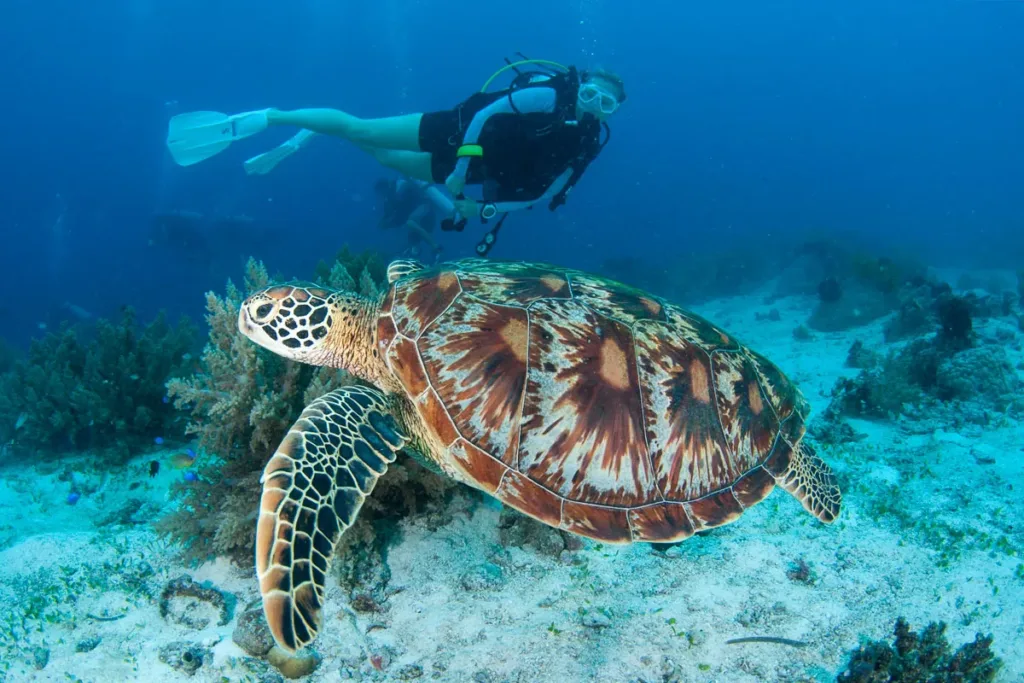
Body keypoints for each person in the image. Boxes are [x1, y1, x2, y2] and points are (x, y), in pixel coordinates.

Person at [166, 59, 625, 246]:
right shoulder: (550, 96)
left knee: (381, 155)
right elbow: (486, 117)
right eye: (590, 94)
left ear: (611, 113)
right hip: (455, 131)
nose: (592, 106)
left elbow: (540, 197)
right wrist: (464, 169)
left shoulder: (586, 146)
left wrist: (479, 204)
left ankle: (311, 133)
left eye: (605, 104)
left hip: (467, 172)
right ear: (579, 87)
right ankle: (272, 117)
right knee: (363, 128)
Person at [373, 176, 453, 262]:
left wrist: (389, 223)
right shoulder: (391, 196)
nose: (382, 195)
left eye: (382, 193)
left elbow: (402, 212)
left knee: (410, 222)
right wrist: (387, 223)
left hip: (426, 215)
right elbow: (400, 215)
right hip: (420, 219)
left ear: (385, 188)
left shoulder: (402, 187)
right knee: (411, 240)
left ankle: (437, 248)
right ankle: (416, 253)